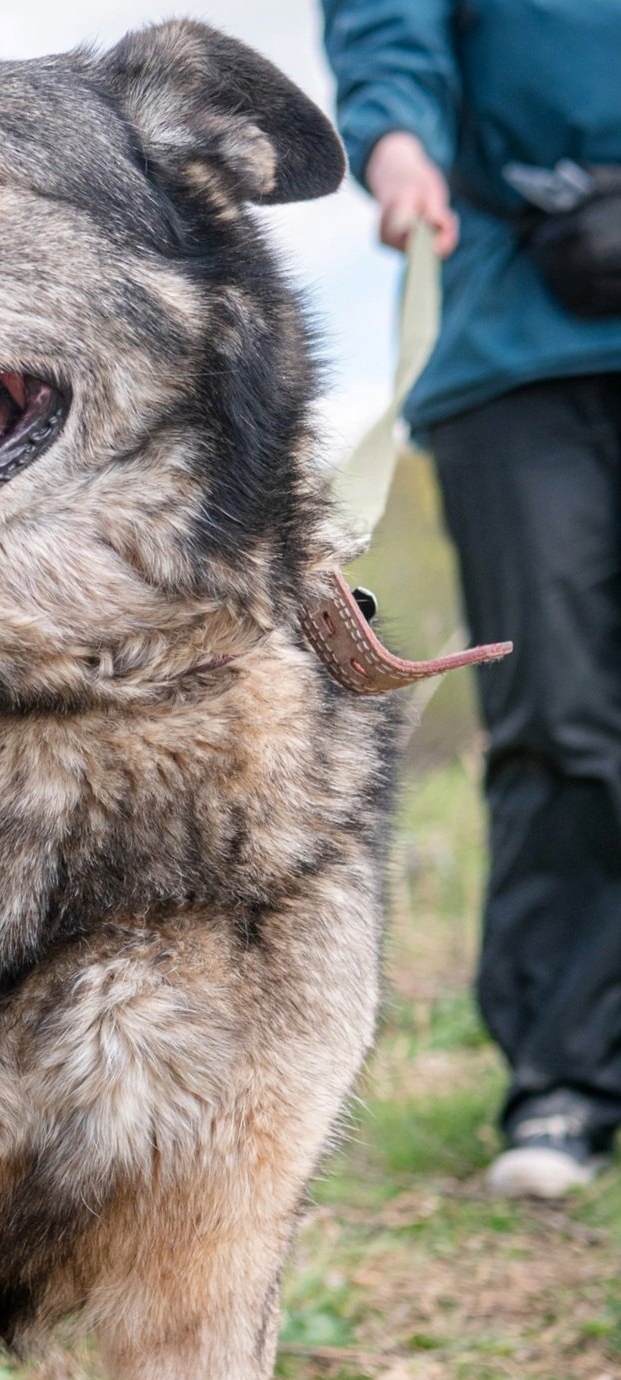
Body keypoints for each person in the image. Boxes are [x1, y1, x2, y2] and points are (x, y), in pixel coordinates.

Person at [324, 0, 621, 1198]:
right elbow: (388, 35)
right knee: (559, 715)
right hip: (513, 336)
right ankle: (562, 1076)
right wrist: (394, 141)